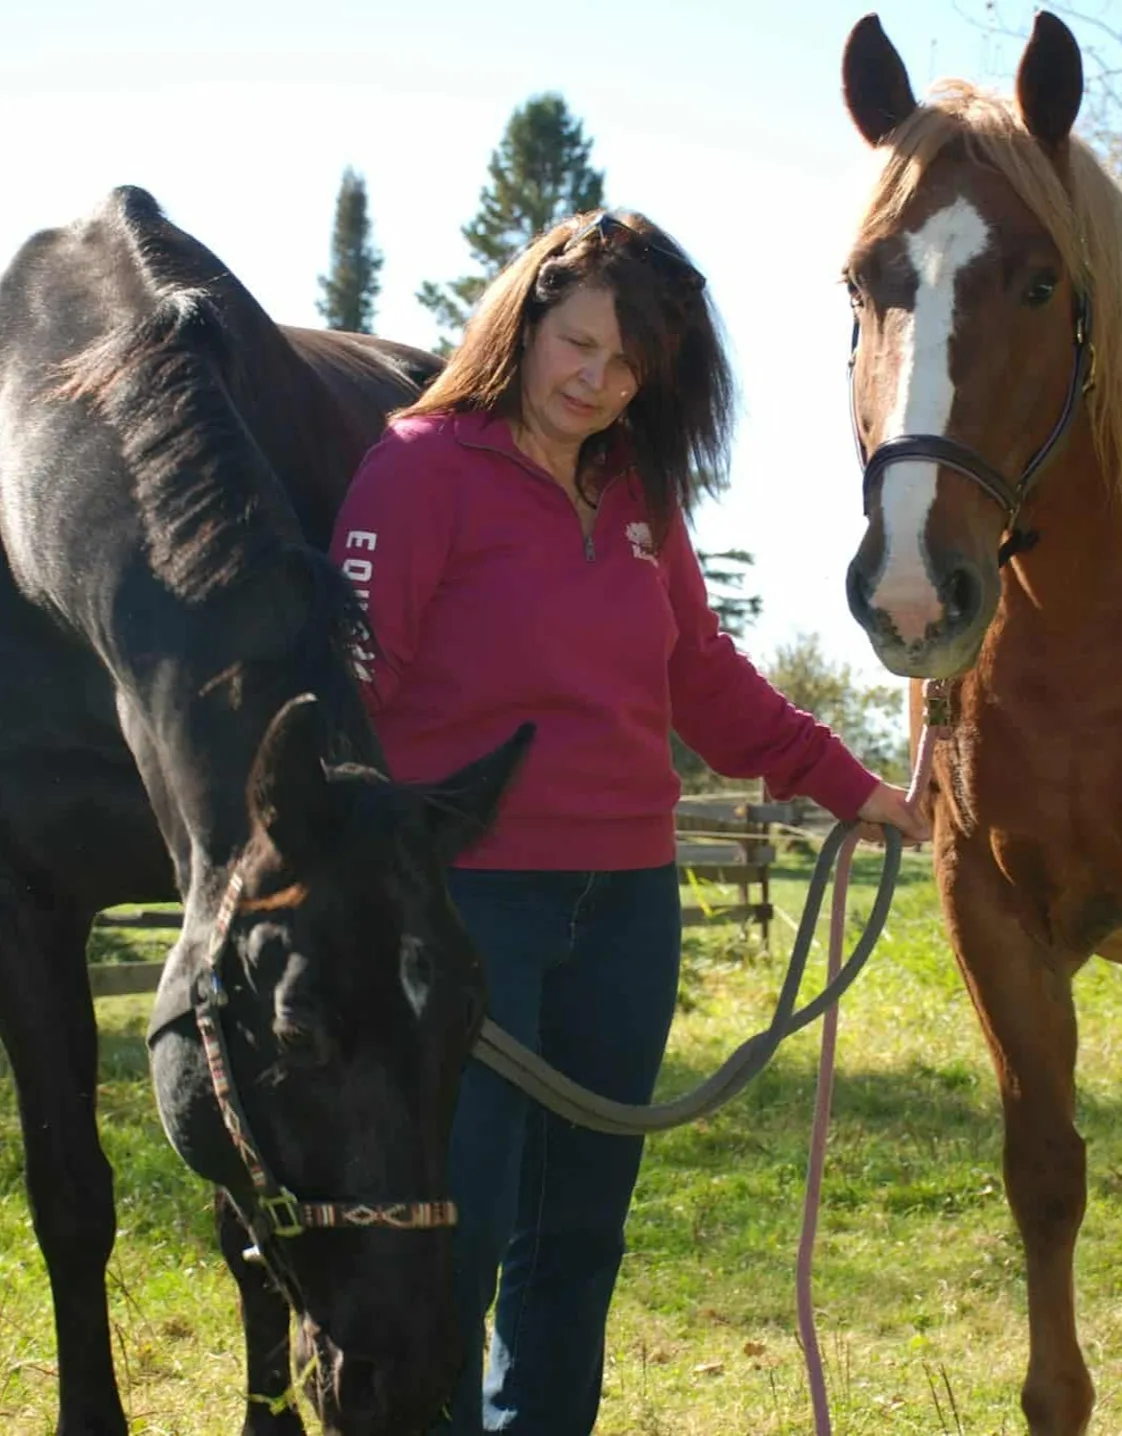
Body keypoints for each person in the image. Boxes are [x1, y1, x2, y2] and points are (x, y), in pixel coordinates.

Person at [329, 209, 928, 1435]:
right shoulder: (421, 464)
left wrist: (847, 781)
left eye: (625, 364)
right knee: (465, 1226)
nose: (594, 381)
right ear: (526, 321)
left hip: (626, 908)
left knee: (579, 1232)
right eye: (578, 343)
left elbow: (698, 674)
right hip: (467, 903)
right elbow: (352, 694)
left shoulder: (640, 491)